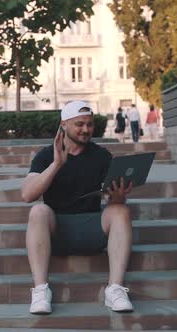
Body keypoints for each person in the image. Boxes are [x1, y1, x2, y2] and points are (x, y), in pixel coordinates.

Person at [21, 100, 135, 315]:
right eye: (80, 124)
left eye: (90, 124)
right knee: (38, 211)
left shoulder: (101, 155)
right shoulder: (46, 155)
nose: (86, 129)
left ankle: (115, 290)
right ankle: (40, 291)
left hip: (90, 226)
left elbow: (113, 205)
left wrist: (119, 196)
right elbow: (27, 195)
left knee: (121, 211)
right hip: (56, 230)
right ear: (63, 125)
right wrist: (56, 165)